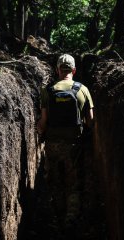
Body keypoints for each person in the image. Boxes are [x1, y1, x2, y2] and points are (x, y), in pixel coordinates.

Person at [37, 54, 94, 229]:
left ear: (57, 70)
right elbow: (91, 121)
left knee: (54, 181)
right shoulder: (82, 89)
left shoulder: (47, 91)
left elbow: (43, 122)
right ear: (74, 70)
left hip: (53, 145)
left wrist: (39, 136)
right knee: (73, 183)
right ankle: (71, 219)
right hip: (74, 145)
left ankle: (56, 218)